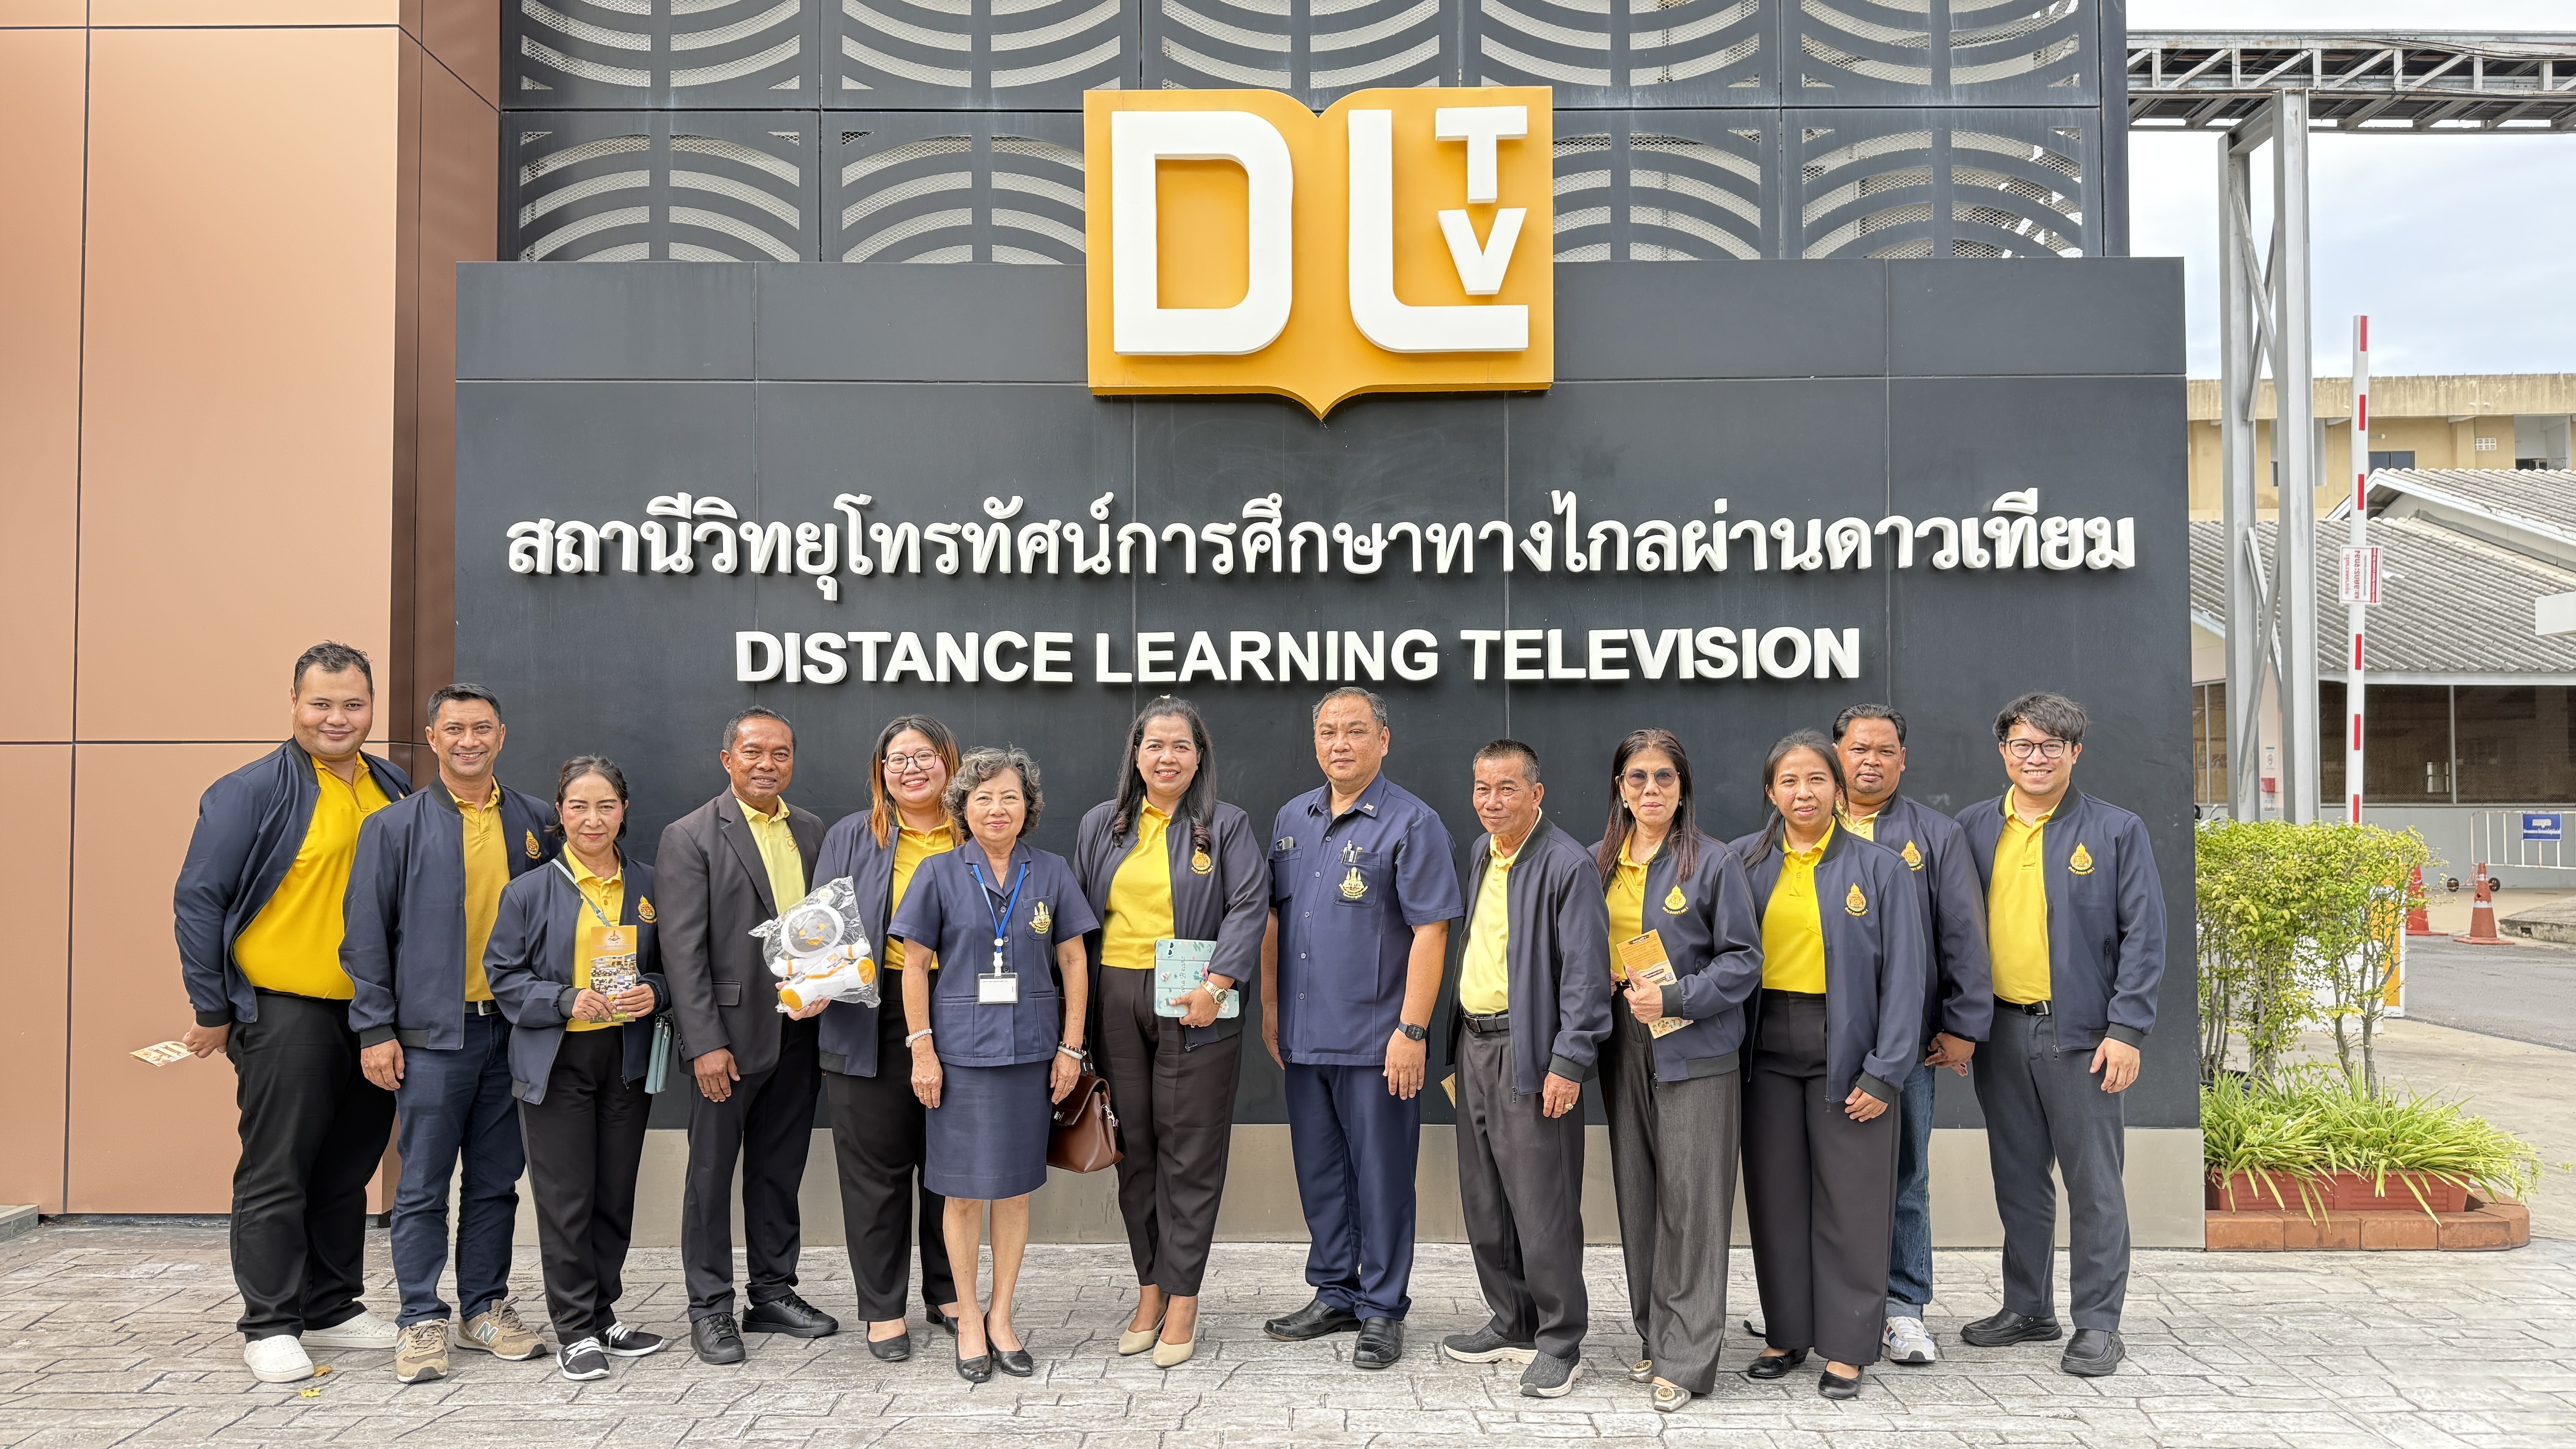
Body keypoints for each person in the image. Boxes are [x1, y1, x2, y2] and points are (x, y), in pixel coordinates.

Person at [173, 642, 413, 1385]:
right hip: (285, 1010)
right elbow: (199, 899)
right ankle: (270, 1321)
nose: (338, 718)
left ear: (371, 708)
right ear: (294, 703)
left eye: (353, 704)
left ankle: (331, 1304)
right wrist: (211, 1005)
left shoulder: (391, 783)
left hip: (372, 1014)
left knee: (348, 1165)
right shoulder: (249, 790)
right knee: (279, 1167)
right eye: (322, 703)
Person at [343, 683, 557, 1382]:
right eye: (455, 729)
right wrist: (375, 1028)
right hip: (432, 1037)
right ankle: (419, 1317)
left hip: (514, 1032)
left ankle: (484, 1308)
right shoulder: (393, 828)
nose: (470, 740)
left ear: (502, 735)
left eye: (482, 728)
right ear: (432, 738)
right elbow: (365, 939)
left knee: (497, 1181)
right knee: (423, 1185)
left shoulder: (536, 820)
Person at [1953, 692, 2167, 1379]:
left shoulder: (2116, 830)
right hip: (2000, 1031)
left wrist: (2127, 1029)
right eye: (2023, 744)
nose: (2036, 757)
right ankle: (2028, 1308)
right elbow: (1952, 932)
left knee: (2094, 1184)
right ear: (2003, 752)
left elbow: (2145, 937)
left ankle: (2099, 1324)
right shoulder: (1972, 828)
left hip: (2082, 1037)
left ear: (2075, 752)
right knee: (2018, 1178)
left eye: (2051, 746)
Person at [1261, 687, 1463, 1372]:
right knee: (1321, 1174)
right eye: (1328, 731)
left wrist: (1413, 1029)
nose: (1339, 743)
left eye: (1355, 730)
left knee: (1381, 1177)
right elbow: (1275, 920)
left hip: (1379, 1041)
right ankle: (1336, 1293)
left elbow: (1432, 932)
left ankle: (1381, 1307)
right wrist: (1271, 1010)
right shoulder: (1294, 817)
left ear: (1384, 740)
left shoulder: (1413, 822)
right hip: (1305, 1033)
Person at [1729, 731, 1926, 1401]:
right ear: (1771, 791)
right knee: (1777, 1199)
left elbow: (1906, 979)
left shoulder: (1881, 868)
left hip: (1849, 1050)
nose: (1803, 793)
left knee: (1853, 1202)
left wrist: (1885, 1071)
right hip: (1765, 1051)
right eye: (1789, 781)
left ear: (1838, 790)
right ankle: (1786, 1332)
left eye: (1816, 779)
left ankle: (1847, 1345)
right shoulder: (1742, 861)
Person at [1072, 699, 1269, 1369]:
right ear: (1136, 754)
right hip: (1115, 997)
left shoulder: (1226, 825)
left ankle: (1183, 1296)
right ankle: (1150, 1287)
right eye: (1154, 745)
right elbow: (1078, 919)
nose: (1167, 757)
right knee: (1135, 1150)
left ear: (1199, 755)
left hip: (1196, 1000)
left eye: (1181, 746)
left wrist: (1219, 986)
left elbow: (1249, 906)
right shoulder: (1102, 825)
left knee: (1190, 1151)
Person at [889, 747, 1095, 1383]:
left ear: (1027, 806)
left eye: (1009, 797)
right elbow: (915, 967)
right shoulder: (939, 873)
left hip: (1031, 1054)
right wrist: (922, 1049)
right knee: (960, 1192)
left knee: (1013, 1190)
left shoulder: (1052, 871)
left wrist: (1071, 1046)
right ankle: (968, 1317)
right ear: (963, 808)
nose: (996, 809)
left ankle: (1003, 1315)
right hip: (958, 1058)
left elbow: (1074, 961)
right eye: (982, 798)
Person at [1589, 729, 1762, 1414]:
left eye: (1664, 776)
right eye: (1637, 777)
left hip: (1695, 1042)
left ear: (1683, 786)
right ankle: (1655, 1334)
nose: (1651, 789)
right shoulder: (1601, 861)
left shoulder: (1714, 862)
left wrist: (1677, 997)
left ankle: (1687, 1358)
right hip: (1623, 1041)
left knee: (1693, 1202)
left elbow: (1744, 960)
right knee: (1639, 1192)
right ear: (1620, 788)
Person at [657, 706, 837, 1363]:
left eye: (780, 753)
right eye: (754, 751)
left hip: (800, 1030)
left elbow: (822, 924)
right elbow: (681, 952)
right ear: (727, 759)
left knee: (779, 1168)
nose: (768, 763)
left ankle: (772, 1292)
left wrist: (827, 984)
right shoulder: (691, 836)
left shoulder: (810, 830)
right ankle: (710, 1307)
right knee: (710, 1176)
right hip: (727, 1040)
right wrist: (704, 1042)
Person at [485, 757, 671, 1382]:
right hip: (557, 1061)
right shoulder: (529, 891)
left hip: (625, 1058)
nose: (593, 819)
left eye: (606, 806)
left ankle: (603, 1310)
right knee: (568, 1198)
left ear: (624, 811)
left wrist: (655, 991)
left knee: (614, 1193)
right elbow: (503, 976)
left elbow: (676, 966)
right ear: (560, 813)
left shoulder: (650, 884)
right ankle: (574, 1327)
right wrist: (563, 999)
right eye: (579, 807)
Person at [1436, 741, 1610, 1399]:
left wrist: (1569, 1060)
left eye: (1507, 788)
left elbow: (1587, 976)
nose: (1492, 801)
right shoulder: (1482, 852)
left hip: (1532, 1050)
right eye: (1482, 789)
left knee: (1543, 1204)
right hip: (1475, 1045)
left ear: (1537, 794)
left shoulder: (1567, 864)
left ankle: (1561, 1340)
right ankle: (1512, 1321)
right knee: (1486, 1198)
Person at [1830, 704, 1993, 1366]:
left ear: (1903, 759)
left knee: (1905, 1174)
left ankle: (1903, 1308)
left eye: (1885, 750)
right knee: (1822, 1174)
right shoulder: (1804, 823)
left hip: (1908, 1042)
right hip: (1815, 1038)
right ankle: (1824, 1302)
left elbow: (1963, 933)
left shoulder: (1935, 834)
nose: (1870, 760)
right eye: (1858, 748)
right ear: (1837, 754)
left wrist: (1963, 1024)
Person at [811, 716, 966, 1361]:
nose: (911, 768)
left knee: (951, 1165)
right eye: (897, 759)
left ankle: (948, 1292)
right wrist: (811, 981)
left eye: (924, 756)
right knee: (875, 1171)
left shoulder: (975, 830)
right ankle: (882, 1307)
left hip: (963, 1011)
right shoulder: (852, 836)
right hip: (868, 1016)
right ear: (881, 772)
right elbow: (821, 927)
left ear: (949, 761)